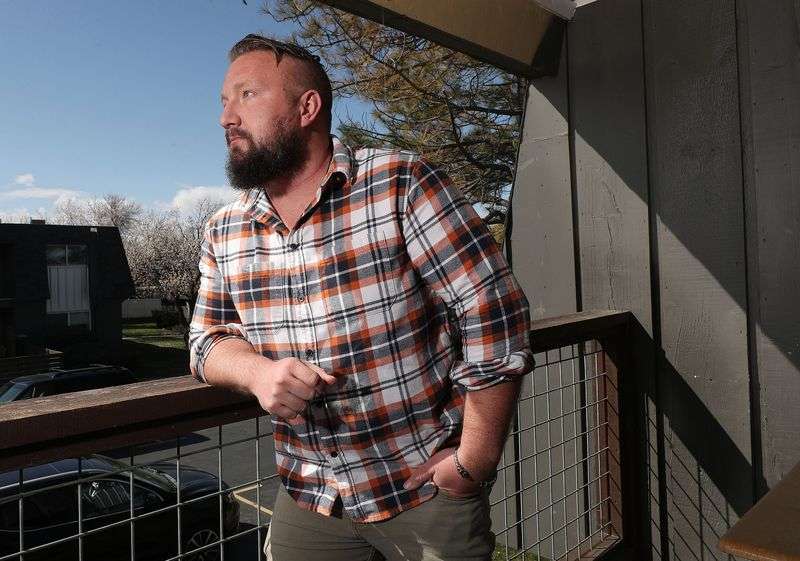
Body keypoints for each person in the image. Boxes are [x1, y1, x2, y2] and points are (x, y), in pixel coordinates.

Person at [189, 33, 534, 561]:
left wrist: (474, 461)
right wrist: (257, 374)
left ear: (308, 107)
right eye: (223, 101)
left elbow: (494, 311)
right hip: (307, 497)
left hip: (424, 490)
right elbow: (205, 339)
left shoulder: (400, 183)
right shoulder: (224, 229)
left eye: (246, 95)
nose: (226, 118)